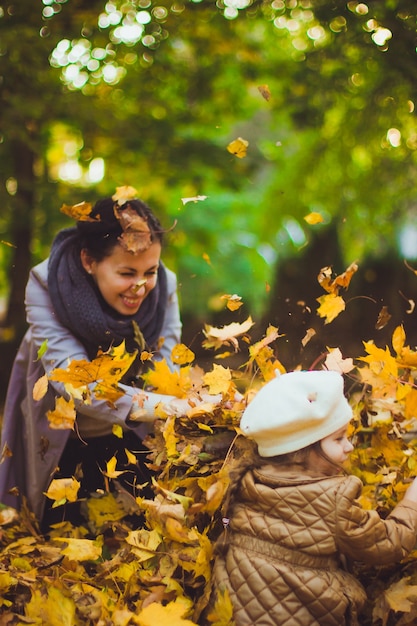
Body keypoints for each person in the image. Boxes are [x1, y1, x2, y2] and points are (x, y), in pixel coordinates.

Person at [0, 188, 193, 530]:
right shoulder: (45, 286)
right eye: (126, 273)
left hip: (130, 429)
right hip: (61, 431)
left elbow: (165, 363)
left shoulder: (165, 285)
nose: (141, 286)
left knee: (139, 528)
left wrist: (173, 404)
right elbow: (76, 383)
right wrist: (162, 406)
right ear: (89, 261)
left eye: (149, 271)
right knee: (60, 530)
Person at [206, 369, 417, 626]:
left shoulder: (246, 480)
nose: (349, 446)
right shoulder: (335, 498)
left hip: (235, 613)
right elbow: (387, 543)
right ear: (300, 452)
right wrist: (411, 503)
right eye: (339, 439)